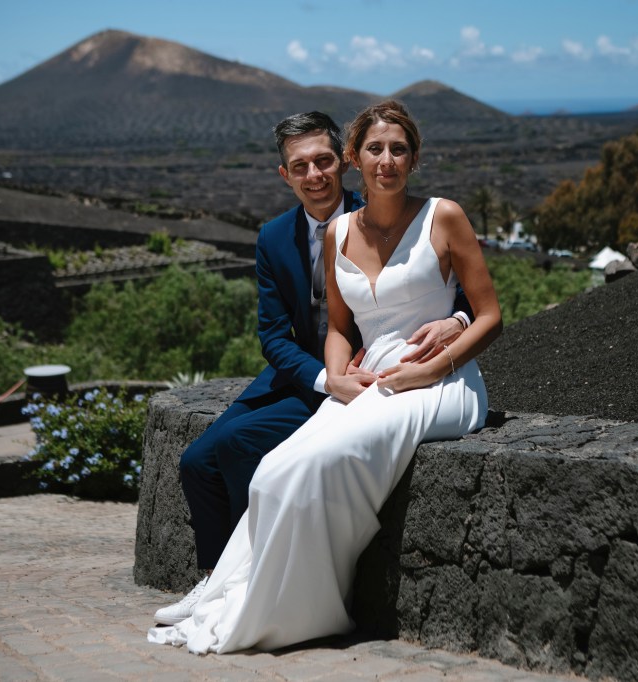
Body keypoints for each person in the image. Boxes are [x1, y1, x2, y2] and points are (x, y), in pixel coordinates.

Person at [148, 99, 502, 654]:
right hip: (319, 378)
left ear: (343, 162)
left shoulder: (404, 207)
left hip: (391, 373)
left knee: (252, 452)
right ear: (285, 174)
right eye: (300, 166)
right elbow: (274, 336)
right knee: (197, 460)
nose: (315, 175)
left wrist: (452, 326)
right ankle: (219, 581)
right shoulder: (279, 237)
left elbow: (467, 297)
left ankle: (266, 587)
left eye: (323, 162)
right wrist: (327, 378)